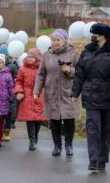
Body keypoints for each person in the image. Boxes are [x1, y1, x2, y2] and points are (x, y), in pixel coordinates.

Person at [71, 23, 110, 172]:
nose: (92, 36)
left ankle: (102, 159)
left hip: (108, 97)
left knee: (105, 129)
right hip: (91, 95)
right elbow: (79, 74)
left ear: (103, 36)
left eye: (94, 33)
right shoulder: (86, 52)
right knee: (93, 128)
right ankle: (93, 160)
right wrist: (75, 93)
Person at [33, 29, 81, 157]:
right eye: (53, 40)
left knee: (69, 119)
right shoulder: (46, 55)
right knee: (54, 120)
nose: (55, 42)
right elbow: (41, 74)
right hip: (51, 93)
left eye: (58, 40)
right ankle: (57, 146)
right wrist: (36, 91)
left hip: (69, 92)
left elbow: (81, 73)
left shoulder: (74, 54)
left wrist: (69, 70)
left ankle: (69, 145)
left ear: (64, 41)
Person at [14, 48, 47, 151]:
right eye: (28, 56)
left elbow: (47, 81)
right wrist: (19, 91)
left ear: (37, 58)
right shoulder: (22, 69)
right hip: (27, 96)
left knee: (38, 120)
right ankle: (32, 141)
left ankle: (35, 137)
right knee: (30, 120)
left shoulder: (42, 69)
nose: (30, 58)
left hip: (39, 96)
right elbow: (18, 82)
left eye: (32, 57)